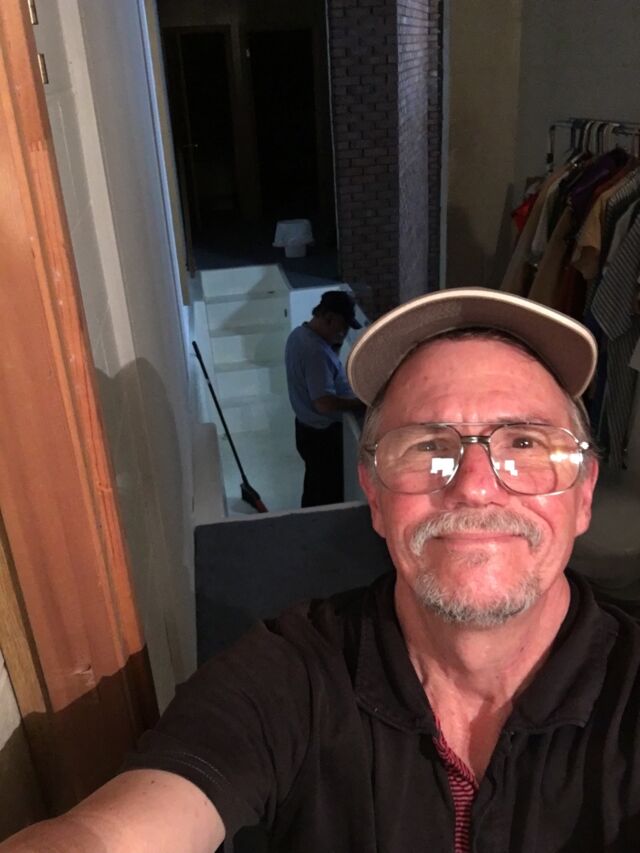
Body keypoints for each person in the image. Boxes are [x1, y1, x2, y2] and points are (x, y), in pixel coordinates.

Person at [5, 287, 640, 853]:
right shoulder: (285, 678)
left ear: (584, 493)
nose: (475, 486)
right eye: (428, 445)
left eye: (524, 443)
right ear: (375, 498)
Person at [285, 290, 364, 507]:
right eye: (342, 326)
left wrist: (335, 345)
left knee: (315, 485)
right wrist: (360, 403)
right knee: (327, 495)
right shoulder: (315, 352)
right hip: (322, 437)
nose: (343, 333)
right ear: (328, 317)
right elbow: (324, 403)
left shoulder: (298, 335)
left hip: (306, 429)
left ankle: (307, 520)